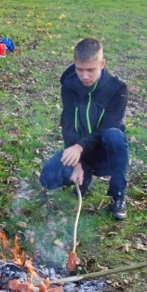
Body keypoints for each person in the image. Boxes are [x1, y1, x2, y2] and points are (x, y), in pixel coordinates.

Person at [39, 38, 129, 220]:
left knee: (114, 135)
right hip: (81, 150)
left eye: (90, 70)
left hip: (106, 154)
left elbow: (107, 126)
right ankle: (85, 175)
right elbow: (68, 122)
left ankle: (118, 194)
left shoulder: (117, 89)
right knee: (47, 179)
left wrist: (79, 148)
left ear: (102, 64)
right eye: (80, 69)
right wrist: (77, 162)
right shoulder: (69, 84)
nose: (85, 76)